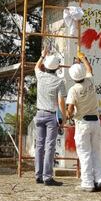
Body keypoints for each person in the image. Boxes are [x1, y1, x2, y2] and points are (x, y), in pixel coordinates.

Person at [66, 51, 101, 192]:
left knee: (84, 153)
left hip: (83, 123)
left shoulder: (73, 90)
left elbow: (70, 109)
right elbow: (89, 69)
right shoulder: (90, 81)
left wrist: (69, 113)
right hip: (95, 121)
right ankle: (99, 179)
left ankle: (87, 182)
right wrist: (83, 58)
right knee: (96, 152)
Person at [34, 47, 66, 186]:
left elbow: (36, 66)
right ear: (57, 68)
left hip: (39, 113)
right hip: (51, 115)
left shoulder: (40, 75)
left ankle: (38, 175)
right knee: (49, 147)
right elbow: (60, 102)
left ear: (46, 66)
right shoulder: (60, 82)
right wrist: (63, 118)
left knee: (39, 146)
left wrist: (42, 55)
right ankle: (47, 177)